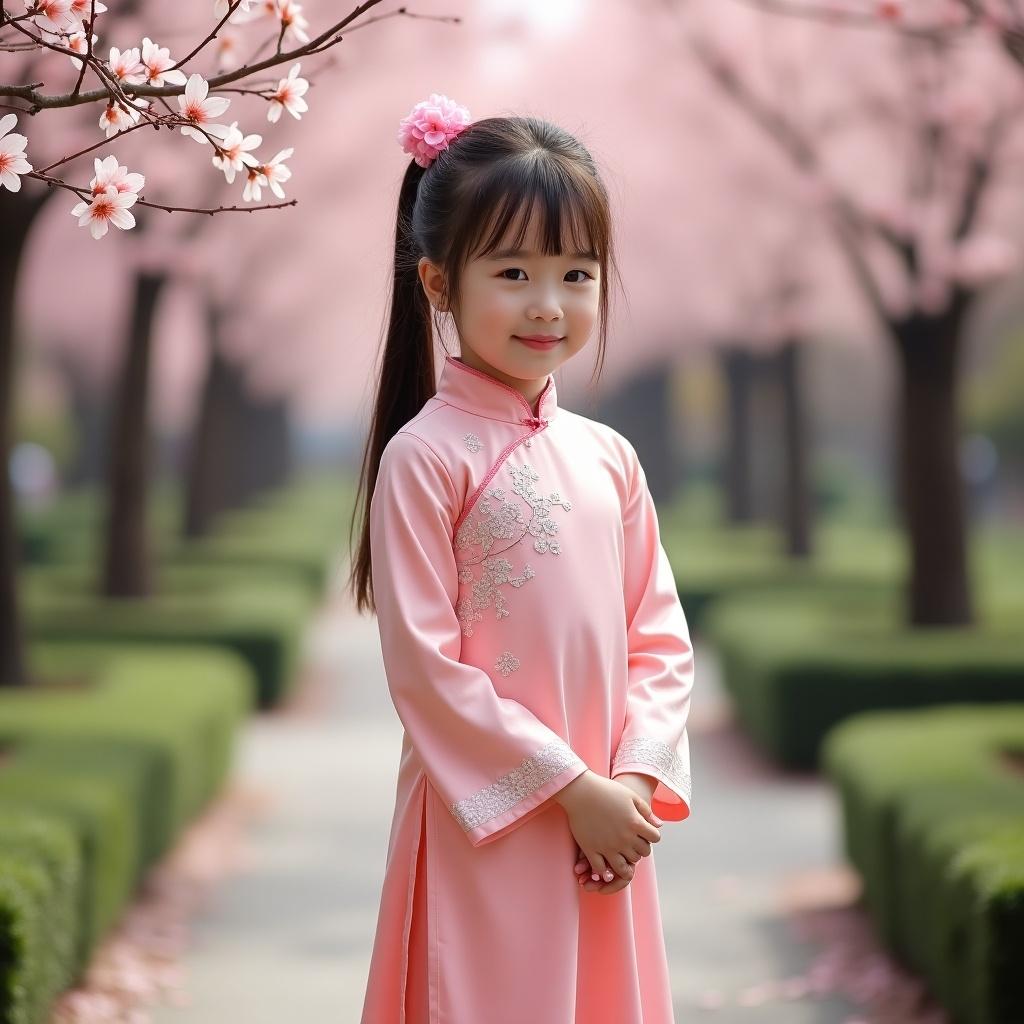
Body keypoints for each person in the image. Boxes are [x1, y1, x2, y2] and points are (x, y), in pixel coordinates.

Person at [348, 93, 695, 1024]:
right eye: (513, 271)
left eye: (577, 274)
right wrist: (569, 788)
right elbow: (425, 671)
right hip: (487, 825)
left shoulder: (609, 456)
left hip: (604, 830)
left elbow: (657, 638)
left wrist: (630, 784)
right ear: (437, 282)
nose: (550, 306)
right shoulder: (424, 458)